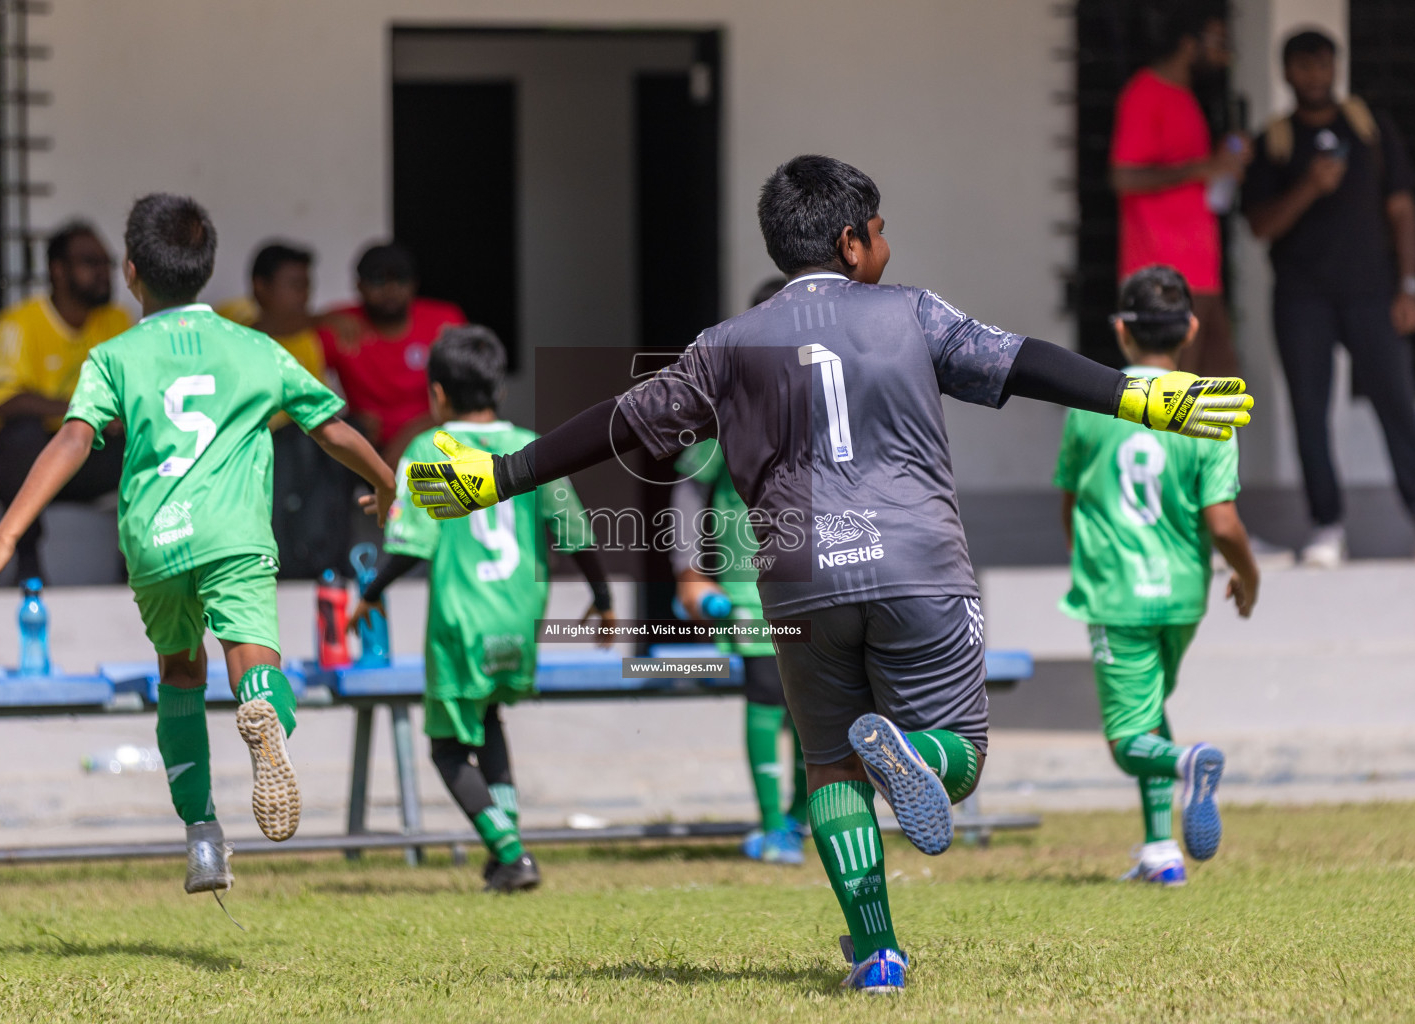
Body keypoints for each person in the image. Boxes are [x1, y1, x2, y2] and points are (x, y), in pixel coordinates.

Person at [405, 155, 1254, 991]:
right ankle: (913, 756)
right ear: (852, 242)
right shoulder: (911, 314)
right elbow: (1024, 360)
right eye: (881, 230)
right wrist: (1139, 395)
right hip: (919, 566)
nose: (888, 244)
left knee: (829, 768)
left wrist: (500, 476)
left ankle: (879, 952)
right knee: (959, 757)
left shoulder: (724, 345)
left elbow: (619, 424)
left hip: (800, 581)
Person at [0, 194, 397, 897]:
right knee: (254, 663)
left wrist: (5, 536)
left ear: (132, 272)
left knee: (181, 678)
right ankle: (262, 714)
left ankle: (202, 838)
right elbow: (331, 426)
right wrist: (385, 480)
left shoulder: (114, 355)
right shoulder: (257, 348)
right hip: (234, 537)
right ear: (207, 268)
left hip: (156, 543)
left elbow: (73, 438)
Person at [350, 325, 612, 892]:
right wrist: (605, 598)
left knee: (446, 747)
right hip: (520, 619)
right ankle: (503, 855)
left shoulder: (429, 448)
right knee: (489, 719)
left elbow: (409, 546)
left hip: (461, 622)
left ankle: (511, 851)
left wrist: (368, 594)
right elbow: (575, 532)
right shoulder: (533, 444)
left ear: (437, 394)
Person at [1055, 265, 1256, 885]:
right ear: (1192, 328)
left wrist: (1086, 558)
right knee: (1149, 709)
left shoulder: (1091, 402)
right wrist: (1248, 575)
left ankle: (1191, 761)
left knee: (1126, 741)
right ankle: (1158, 851)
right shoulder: (1210, 405)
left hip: (1116, 594)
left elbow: (1069, 500)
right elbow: (1222, 523)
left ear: (1120, 330)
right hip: (1181, 594)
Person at [1242, 29, 1415, 567]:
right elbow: (1261, 225)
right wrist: (1309, 186)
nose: (1314, 76)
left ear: (1336, 67)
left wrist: (1410, 285)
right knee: (1309, 412)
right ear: (1286, 73)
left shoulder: (1370, 131)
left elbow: (1402, 211)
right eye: (1303, 67)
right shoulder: (1274, 142)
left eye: (1323, 65)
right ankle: (1328, 525)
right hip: (1302, 298)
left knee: (1397, 404)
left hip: (1374, 293)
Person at [671, 276, 808, 866]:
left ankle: (805, 820)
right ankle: (777, 824)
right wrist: (688, 572)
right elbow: (687, 489)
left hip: (819, 584)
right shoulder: (727, 411)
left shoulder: (829, 400)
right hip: (752, 592)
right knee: (770, 699)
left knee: (818, 709)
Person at [0, 222, 132, 583]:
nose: (103, 273)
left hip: (87, 457)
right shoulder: (19, 323)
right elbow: (4, 402)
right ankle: (27, 567)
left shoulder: (116, 321)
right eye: (90, 262)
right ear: (58, 270)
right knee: (20, 434)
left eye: (107, 263)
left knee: (147, 441)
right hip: (21, 462)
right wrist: (85, 410)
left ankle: (138, 568)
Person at [1110, 2, 1247, 379]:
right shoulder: (1145, 93)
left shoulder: (1187, 97)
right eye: (1217, 40)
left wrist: (1223, 165)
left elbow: (1196, 179)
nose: (1225, 51)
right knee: (1173, 397)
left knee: (1219, 387)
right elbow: (1124, 177)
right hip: (1162, 274)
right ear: (1190, 44)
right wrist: (1205, 167)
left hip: (1201, 271)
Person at [235, 242, 354, 578]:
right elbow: (263, 329)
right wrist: (320, 318)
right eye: (295, 285)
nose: (305, 295)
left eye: (308, 285)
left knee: (339, 439)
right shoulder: (233, 322)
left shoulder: (307, 338)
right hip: (255, 448)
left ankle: (330, 563)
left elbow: (317, 404)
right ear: (261, 287)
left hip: (304, 448)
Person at [319, 243, 467, 464]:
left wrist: (411, 435)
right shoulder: (341, 326)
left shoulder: (444, 321)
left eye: (401, 279)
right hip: (365, 450)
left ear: (415, 283)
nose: (390, 290)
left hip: (438, 444)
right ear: (359, 286)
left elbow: (467, 398)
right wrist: (340, 421)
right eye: (378, 280)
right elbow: (287, 371)